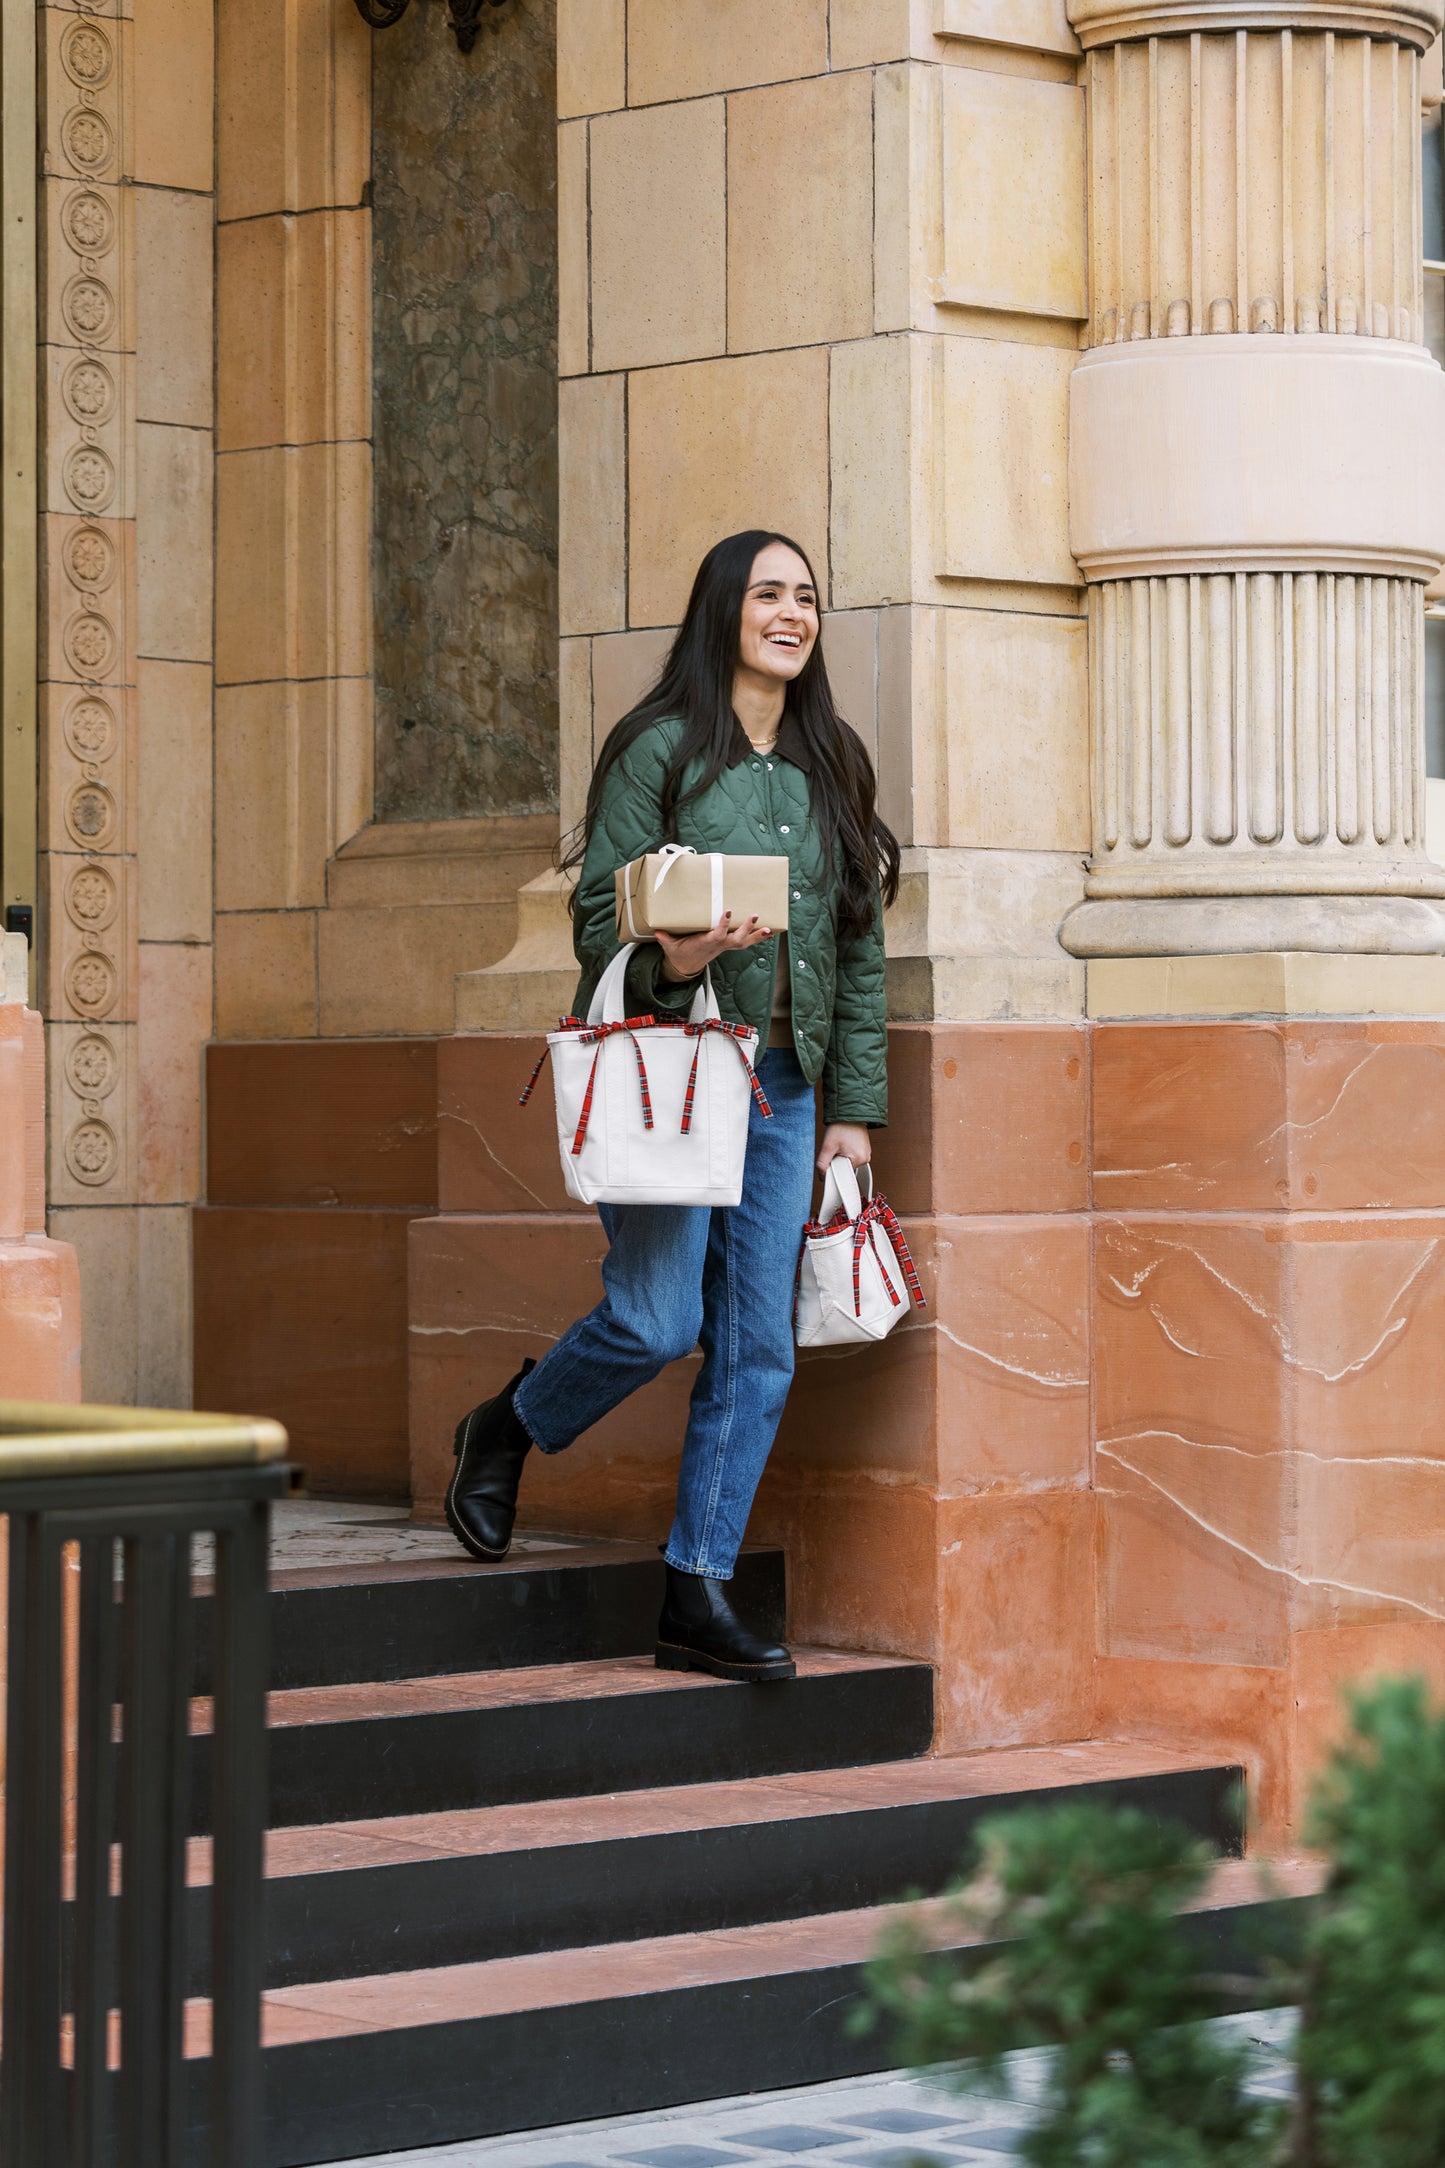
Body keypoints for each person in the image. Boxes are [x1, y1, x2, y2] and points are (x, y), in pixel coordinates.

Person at [445, 530, 899, 1681]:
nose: (791, 613)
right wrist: (678, 955)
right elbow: (597, 928)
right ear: (722, 611)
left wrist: (852, 1105)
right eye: (768, 593)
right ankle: (507, 1423)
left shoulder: (830, 758)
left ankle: (695, 1589)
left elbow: (857, 940)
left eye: (806, 596)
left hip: (785, 1087)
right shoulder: (655, 750)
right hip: (674, 1077)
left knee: (759, 1348)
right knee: (655, 1321)